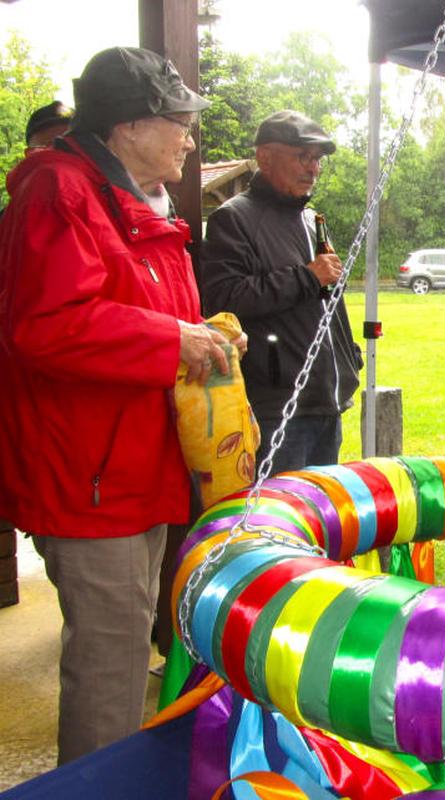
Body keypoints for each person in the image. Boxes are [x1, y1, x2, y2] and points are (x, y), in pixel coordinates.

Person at [0, 45, 238, 765]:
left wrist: (203, 336)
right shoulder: (60, 192)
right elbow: (45, 324)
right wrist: (172, 338)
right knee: (110, 661)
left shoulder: (131, 202)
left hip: (134, 466)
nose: (190, 141)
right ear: (129, 125)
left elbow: (133, 312)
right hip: (90, 476)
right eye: (180, 124)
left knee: (129, 643)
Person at [198, 110, 361, 474]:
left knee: (319, 509)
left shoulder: (311, 219)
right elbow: (223, 298)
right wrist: (307, 277)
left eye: (317, 159)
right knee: (276, 510)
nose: (313, 168)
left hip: (327, 403)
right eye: (302, 156)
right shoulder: (234, 218)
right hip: (277, 409)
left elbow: (326, 303)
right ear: (265, 157)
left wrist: (350, 357)